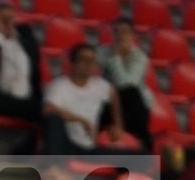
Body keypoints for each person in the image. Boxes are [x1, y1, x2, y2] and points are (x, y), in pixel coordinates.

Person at [43, 43, 121, 154]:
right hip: (66, 146)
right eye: (83, 60)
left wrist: (117, 124)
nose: (88, 64)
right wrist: (81, 120)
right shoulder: (59, 85)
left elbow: (114, 96)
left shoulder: (100, 85)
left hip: (90, 148)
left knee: (141, 155)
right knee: (54, 119)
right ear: (73, 62)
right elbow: (48, 110)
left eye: (92, 61)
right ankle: (53, 167)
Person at [100, 19, 155, 152]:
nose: (120, 35)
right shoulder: (102, 52)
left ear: (132, 36)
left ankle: (142, 143)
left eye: (124, 32)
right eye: (116, 32)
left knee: (132, 92)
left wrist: (115, 57)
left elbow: (126, 84)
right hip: (109, 103)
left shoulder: (140, 57)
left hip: (132, 107)